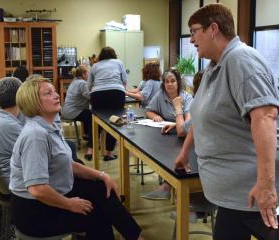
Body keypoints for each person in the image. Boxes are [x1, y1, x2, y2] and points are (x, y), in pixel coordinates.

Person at [174, 4, 279, 240]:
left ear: (213, 29)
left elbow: (265, 118)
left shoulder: (242, 60)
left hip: (249, 196)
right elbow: (201, 114)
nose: (190, 40)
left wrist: (266, 185)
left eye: (193, 31)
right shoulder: (215, 65)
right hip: (230, 197)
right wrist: (185, 150)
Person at [10, 77, 144, 240]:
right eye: (48, 93)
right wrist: (70, 204)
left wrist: (103, 175)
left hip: (51, 193)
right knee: (98, 213)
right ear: (34, 102)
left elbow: (68, 164)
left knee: (101, 188)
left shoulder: (49, 126)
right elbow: (37, 190)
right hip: (34, 213)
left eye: (54, 90)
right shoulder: (35, 135)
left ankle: (135, 236)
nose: (57, 95)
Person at [141, 70, 198, 201]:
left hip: (185, 138)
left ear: (178, 83)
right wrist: (155, 116)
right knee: (161, 151)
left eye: (173, 81)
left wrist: (178, 115)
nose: (170, 84)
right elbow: (148, 110)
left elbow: (185, 127)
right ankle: (168, 185)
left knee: (175, 153)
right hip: (169, 134)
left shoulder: (187, 98)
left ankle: (169, 186)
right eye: (167, 81)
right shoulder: (161, 95)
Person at [88, 46, 127, 161]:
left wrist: (93, 94)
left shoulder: (95, 66)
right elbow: (124, 80)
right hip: (116, 93)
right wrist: (122, 91)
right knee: (114, 121)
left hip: (98, 94)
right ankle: (108, 153)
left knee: (96, 122)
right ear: (114, 55)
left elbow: (88, 84)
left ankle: (90, 150)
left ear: (101, 56)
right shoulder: (118, 63)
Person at [0, 77, 24, 195]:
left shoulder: (0, 115)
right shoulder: (10, 125)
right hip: (14, 183)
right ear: (20, 96)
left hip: (7, 178)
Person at [61, 65, 93, 160]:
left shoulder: (74, 81)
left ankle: (87, 135)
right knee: (94, 116)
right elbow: (90, 97)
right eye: (88, 73)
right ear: (83, 74)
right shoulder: (82, 83)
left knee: (88, 114)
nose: (89, 75)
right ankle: (90, 140)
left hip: (66, 110)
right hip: (73, 111)